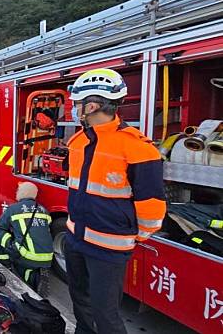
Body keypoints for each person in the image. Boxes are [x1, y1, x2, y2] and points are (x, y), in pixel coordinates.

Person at [65, 68, 166, 333]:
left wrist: (132, 237)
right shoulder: (77, 142)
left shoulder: (137, 147)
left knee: (105, 314)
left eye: (77, 104)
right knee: (80, 302)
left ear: (93, 105)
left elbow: (152, 203)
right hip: (76, 239)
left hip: (109, 247)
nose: (74, 109)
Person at [0, 182, 53, 291]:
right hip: (48, 258)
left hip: (28, 256)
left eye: (18, 190)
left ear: (23, 193)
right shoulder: (44, 210)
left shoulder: (14, 209)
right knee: (24, 263)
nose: (16, 192)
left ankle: (5, 266)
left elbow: (1, 226)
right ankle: (37, 275)